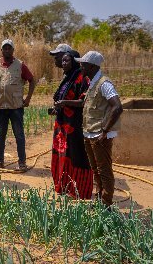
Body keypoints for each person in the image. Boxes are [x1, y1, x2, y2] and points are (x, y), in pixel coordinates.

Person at [75, 51, 123, 207]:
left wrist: (105, 131)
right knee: (95, 169)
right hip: (90, 132)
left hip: (99, 135)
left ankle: (106, 204)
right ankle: (99, 201)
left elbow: (117, 106)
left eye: (83, 64)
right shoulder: (92, 82)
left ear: (91, 66)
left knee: (104, 171)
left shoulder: (104, 83)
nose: (80, 66)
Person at [50, 50, 93, 199]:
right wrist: (57, 108)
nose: (63, 63)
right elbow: (60, 98)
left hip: (75, 126)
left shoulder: (82, 79)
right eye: (63, 61)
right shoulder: (67, 78)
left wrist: (65, 103)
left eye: (67, 61)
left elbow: (83, 101)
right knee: (63, 155)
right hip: (62, 125)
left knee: (76, 156)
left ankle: (78, 190)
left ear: (75, 62)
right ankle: (64, 186)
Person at [0, 39, 36, 172]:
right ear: (1, 50)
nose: (7, 50)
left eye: (9, 48)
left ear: (13, 50)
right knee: (0, 135)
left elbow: (32, 81)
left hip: (16, 107)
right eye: (5, 48)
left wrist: (28, 98)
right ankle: (0, 162)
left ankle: (22, 163)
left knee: (19, 135)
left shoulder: (20, 65)